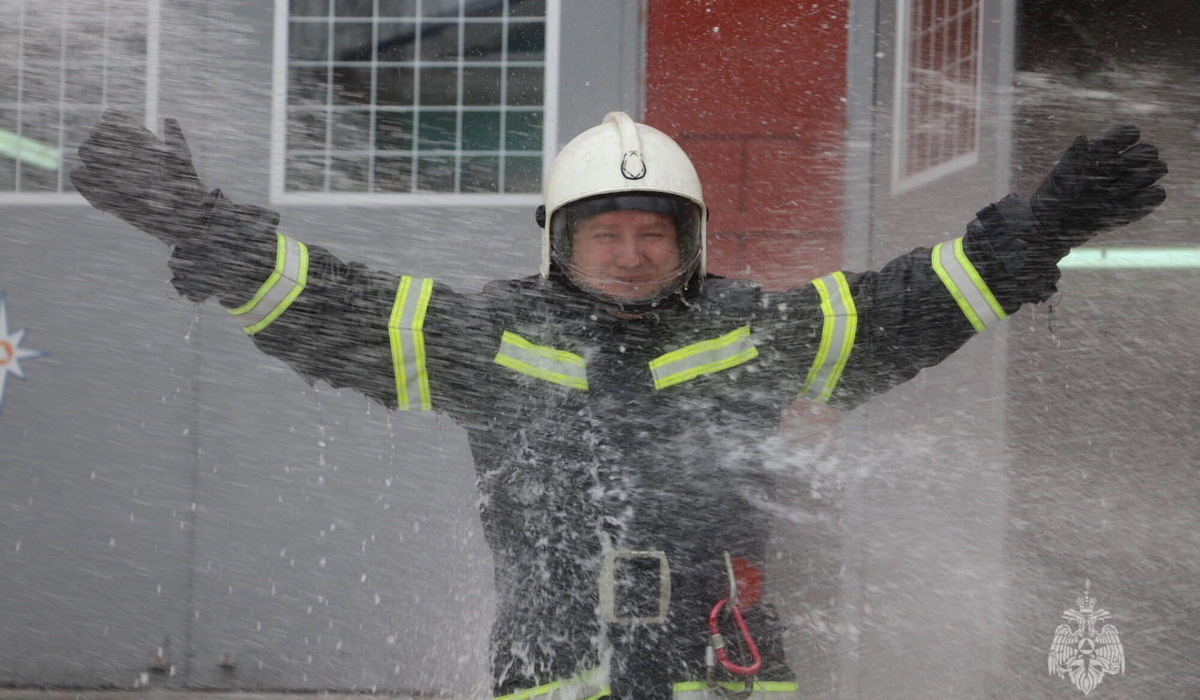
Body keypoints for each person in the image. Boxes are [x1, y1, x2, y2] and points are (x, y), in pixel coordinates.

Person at [70, 110, 1166, 700]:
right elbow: (334, 307)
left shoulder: (754, 334)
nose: (632, 254)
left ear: (691, 241)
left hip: (727, 676)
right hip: (554, 680)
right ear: (558, 239)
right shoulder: (490, 339)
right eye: (606, 232)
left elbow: (905, 307)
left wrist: (1038, 232)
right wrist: (204, 228)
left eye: (653, 232)